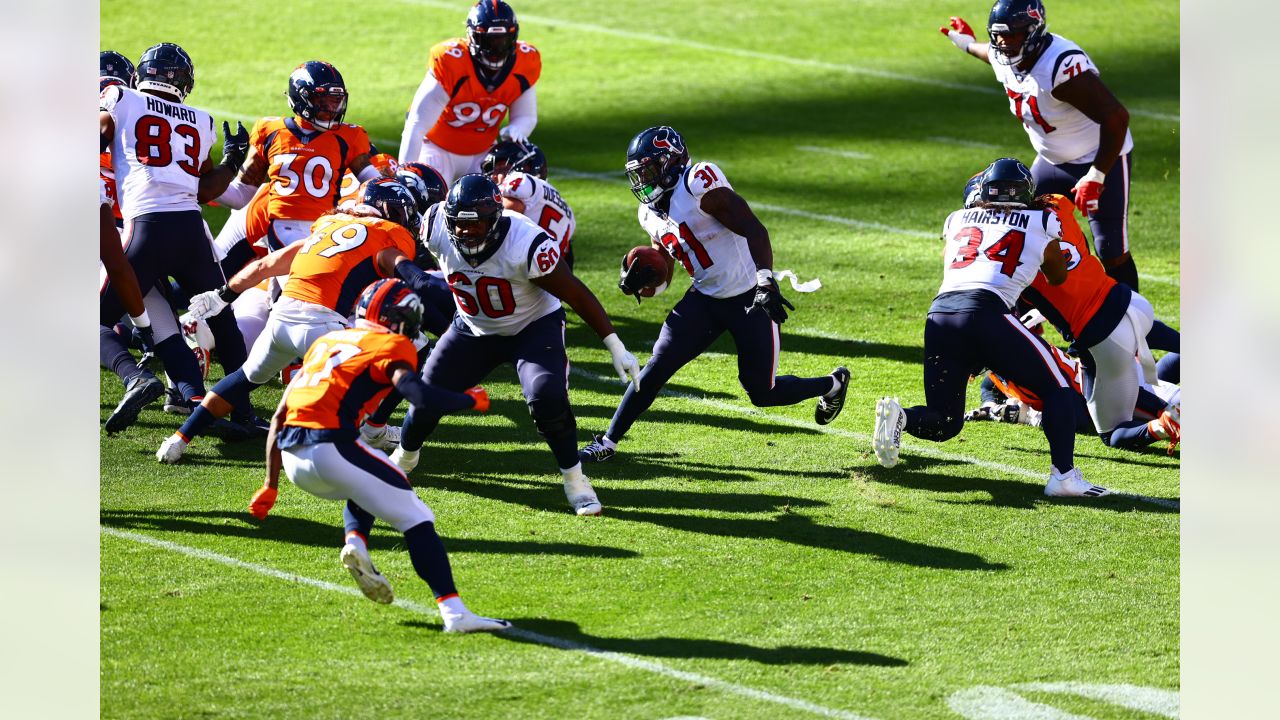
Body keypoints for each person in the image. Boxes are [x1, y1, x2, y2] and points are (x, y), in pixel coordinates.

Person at [577, 126, 849, 464]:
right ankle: (607, 442)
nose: (642, 180)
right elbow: (666, 259)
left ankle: (832, 384)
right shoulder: (648, 213)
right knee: (655, 369)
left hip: (749, 295)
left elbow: (753, 227)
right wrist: (649, 282)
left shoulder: (697, 183)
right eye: (638, 173)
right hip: (704, 299)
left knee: (763, 393)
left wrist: (765, 281)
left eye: (648, 170)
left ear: (670, 162)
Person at [260, 278, 508, 633]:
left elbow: (279, 414)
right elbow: (420, 397)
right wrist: (472, 400)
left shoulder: (327, 341)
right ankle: (455, 614)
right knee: (418, 517)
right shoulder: (390, 345)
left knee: (369, 479)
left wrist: (270, 484)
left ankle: (356, 542)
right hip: (330, 447)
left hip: (293, 456)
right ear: (398, 318)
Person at [390, 174, 642, 516]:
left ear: (495, 220)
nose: (464, 234)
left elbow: (575, 293)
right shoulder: (434, 225)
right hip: (472, 327)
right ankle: (404, 459)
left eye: (474, 226)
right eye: (459, 226)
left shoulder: (525, 242)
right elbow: (394, 249)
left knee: (547, 398)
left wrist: (614, 343)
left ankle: (575, 479)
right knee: (425, 396)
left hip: (532, 327)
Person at [873, 157, 1109, 498]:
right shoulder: (1042, 219)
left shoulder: (957, 219)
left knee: (946, 421)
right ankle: (1064, 477)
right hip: (987, 313)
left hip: (941, 315)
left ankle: (902, 417)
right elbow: (1057, 276)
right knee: (1058, 390)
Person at [156, 179, 421, 463]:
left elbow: (264, 265)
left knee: (242, 379)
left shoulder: (327, 226)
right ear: (387, 210)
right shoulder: (389, 235)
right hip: (323, 327)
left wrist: (222, 296)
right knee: (411, 350)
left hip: (281, 319)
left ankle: (178, 439)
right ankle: (368, 433)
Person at [940, 0, 1142, 291]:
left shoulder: (1059, 68)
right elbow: (989, 53)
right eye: (999, 35)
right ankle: (1024, 320)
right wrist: (967, 44)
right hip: (1050, 160)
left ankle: (1134, 321)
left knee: (1110, 249)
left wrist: (1097, 176)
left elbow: (1117, 119)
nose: (1003, 43)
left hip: (1099, 157)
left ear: (1034, 33)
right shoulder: (1004, 54)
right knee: (1019, 230)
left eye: (1011, 36)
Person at [99, 42, 248, 432]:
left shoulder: (121, 98)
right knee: (222, 319)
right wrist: (233, 161)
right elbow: (204, 191)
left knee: (93, 320)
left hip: (144, 229)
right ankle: (239, 410)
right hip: (190, 232)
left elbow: (100, 131)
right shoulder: (200, 118)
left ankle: (135, 376)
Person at [398, 0, 539, 183]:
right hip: (437, 150)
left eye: (502, 41)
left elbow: (526, 115)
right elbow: (416, 124)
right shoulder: (452, 61)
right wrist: (404, 173)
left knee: (494, 205)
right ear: (472, 36)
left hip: (484, 153)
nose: (495, 50)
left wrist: (517, 129)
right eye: (488, 41)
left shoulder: (524, 62)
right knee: (426, 202)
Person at [482, 139, 577, 268]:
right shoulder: (566, 209)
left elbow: (510, 209)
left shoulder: (522, 180)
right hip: (554, 275)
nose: (493, 176)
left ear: (527, 167)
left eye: (502, 169)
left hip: (523, 272)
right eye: (493, 171)